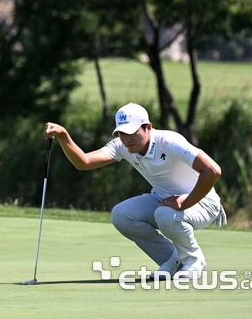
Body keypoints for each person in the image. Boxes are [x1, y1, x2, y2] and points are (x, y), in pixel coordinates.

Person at [43, 102, 226, 280]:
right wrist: (63, 135)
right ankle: (173, 260)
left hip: (203, 203)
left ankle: (194, 260)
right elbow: (83, 162)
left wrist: (185, 202)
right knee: (122, 215)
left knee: (165, 214)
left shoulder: (169, 142)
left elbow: (213, 170)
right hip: (164, 200)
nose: (126, 138)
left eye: (132, 132)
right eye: (121, 133)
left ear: (148, 127)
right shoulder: (122, 146)